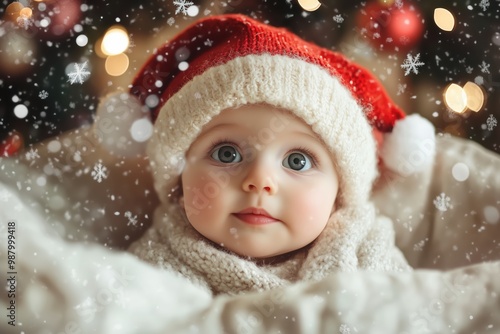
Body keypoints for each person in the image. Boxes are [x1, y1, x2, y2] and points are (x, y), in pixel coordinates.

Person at [123, 14, 436, 295]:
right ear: (179, 176)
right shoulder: (158, 263)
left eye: (297, 161)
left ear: (339, 192)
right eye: (227, 153)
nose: (259, 181)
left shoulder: (363, 249)